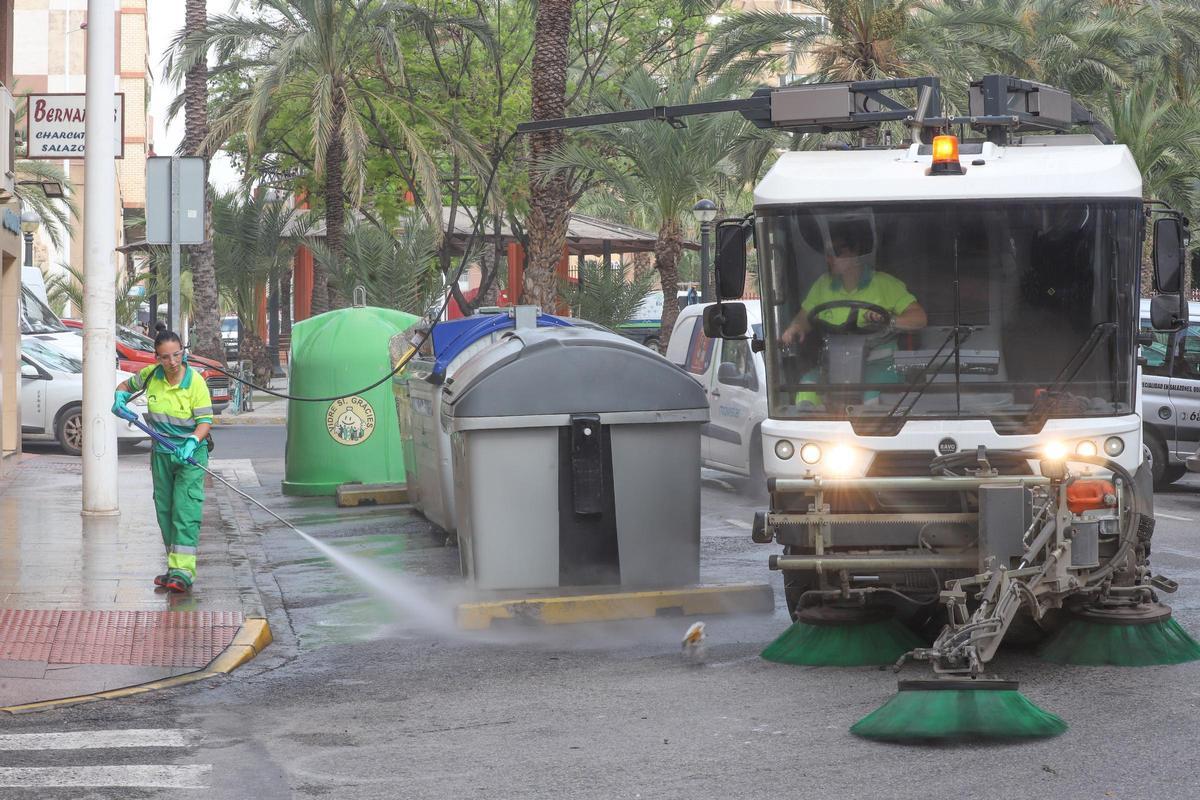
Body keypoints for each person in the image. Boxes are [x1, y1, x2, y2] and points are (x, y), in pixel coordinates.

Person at [780, 217, 927, 406]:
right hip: (833, 366)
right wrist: (794, 328)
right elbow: (803, 318)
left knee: (871, 396)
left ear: (855, 252)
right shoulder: (822, 285)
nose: (829, 258)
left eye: (836, 252)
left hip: (880, 366)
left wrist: (888, 320)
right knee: (806, 388)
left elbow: (919, 318)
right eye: (828, 252)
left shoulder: (885, 284)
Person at [111, 330, 214, 593]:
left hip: (190, 455)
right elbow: (126, 386)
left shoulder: (195, 383)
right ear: (157, 358)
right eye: (166, 357)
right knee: (165, 510)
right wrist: (120, 397)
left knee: (185, 510)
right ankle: (174, 565)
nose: (173, 361)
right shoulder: (151, 376)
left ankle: (184, 571)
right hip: (162, 454)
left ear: (184, 352)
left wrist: (191, 442)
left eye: (177, 354)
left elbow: (204, 423)